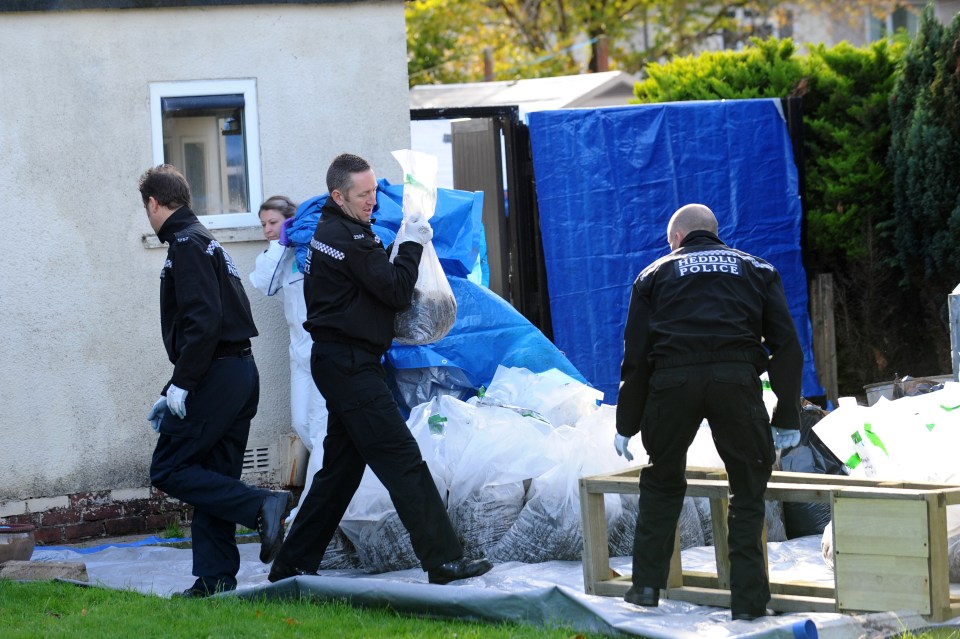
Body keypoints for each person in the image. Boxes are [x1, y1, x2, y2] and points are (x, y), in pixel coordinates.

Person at [267, 153, 492, 585]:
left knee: (338, 474)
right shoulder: (349, 237)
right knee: (402, 459)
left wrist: (398, 246)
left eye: (373, 191)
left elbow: (365, 279)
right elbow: (392, 289)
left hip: (339, 362)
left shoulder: (331, 232)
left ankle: (291, 566)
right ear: (339, 195)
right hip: (351, 366)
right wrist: (410, 245)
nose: (373, 200)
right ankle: (443, 560)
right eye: (363, 194)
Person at [613, 203, 802, 620]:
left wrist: (626, 423)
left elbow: (637, 358)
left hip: (672, 384)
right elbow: (786, 345)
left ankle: (645, 586)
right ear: (714, 233)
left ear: (677, 238)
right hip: (735, 383)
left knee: (662, 483)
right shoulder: (758, 269)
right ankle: (749, 603)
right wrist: (787, 416)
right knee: (747, 491)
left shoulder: (653, 274)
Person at [139, 164, 293, 598]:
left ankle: (260, 504)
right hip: (238, 371)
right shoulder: (207, 241)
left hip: (216, 373)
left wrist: (183, 384)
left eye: (146, 208)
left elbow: (203, 321)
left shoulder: (186, 244)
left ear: (154, 203)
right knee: (215, 474)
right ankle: (215, 578)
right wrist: (171, 389)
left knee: (169, 467)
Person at [249, 195, 328, 450]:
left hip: (321, 349)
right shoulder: (275, 258)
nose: (268, 230)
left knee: (320, 423)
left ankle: (325, 483)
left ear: (290, 220)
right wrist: (280, 245)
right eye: (263, 225)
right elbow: (264, 283)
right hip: (298, 352)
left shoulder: (310, 251)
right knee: (300, 422)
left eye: (273, 222)